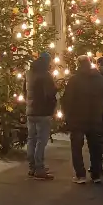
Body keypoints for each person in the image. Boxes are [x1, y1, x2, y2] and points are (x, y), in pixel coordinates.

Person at [62, 56, 103, 184]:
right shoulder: (100, 79)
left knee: (77, 148)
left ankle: (80, 174)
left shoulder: (74, 80)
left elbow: (67, 99)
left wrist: (67, 116)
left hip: (78, 119)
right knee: (95, 147)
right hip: (95, 118)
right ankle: (96, 174)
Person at [25, 52, 58, 180]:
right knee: (41, 140)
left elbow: (25, 90)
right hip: (43, 112)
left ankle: (32, 167)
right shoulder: (46, 75)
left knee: (31, 139)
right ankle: (39, 168)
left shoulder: (29, 73)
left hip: (30, 110)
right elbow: (49, 94)